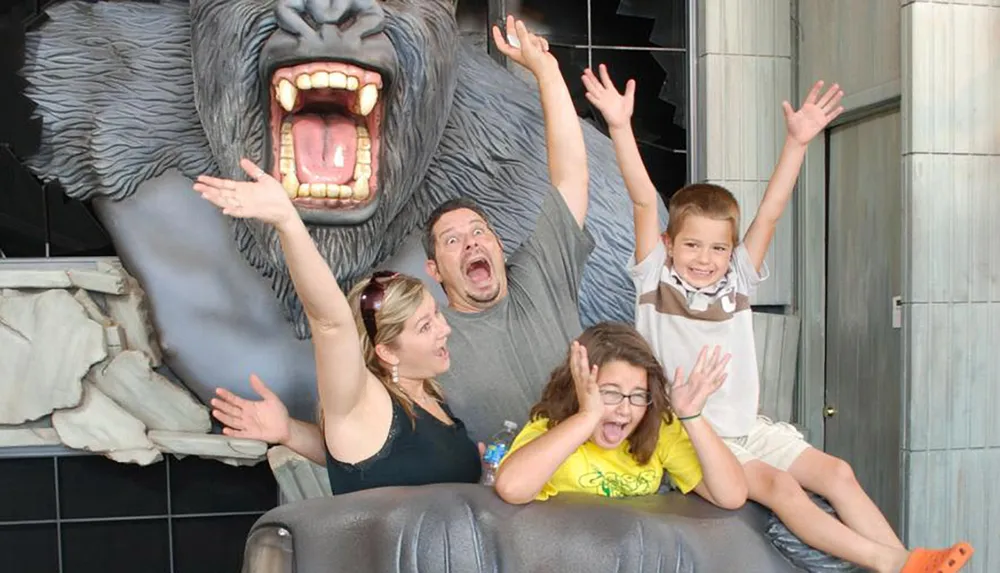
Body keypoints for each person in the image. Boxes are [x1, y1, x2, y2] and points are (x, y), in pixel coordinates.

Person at [583, 63, 974, 572]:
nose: (705, 259)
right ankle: (890, 564)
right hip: (692, 437)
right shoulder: (654, 278)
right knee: (783, 489)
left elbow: (769, 211)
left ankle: (907, 561)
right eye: (692, 246)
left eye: (718, 248)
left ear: (731, 251)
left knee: (837, 473)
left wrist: (797, 143)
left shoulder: (738, 280)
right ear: (668, 244)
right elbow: (640, 197)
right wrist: (618, 126)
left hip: (748, 428)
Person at [208, 15, 596, 465]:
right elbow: (375, 450)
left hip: (591, 496)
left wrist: (546, 72)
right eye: (452, 241)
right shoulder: (426, 350)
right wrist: (290, 433)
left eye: (478, 232)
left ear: (497, 245)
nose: (471, 243)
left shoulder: (542, 275)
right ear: (433, 270)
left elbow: (570, 177)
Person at [193, 161, 480, 494]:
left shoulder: (426, 395)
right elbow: (331, 323)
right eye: (425, 326)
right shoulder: (366, 398)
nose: (444, 329)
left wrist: (289, 431)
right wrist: (288, 223)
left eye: (437, 315)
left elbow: (374, 459)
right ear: (386, 351)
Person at [494, 322, 747, 508]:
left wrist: (691, 417)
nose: (625, 410)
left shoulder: (656, 430)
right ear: (581, 388)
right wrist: (587, 416)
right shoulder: (553, 428)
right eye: (611, 393)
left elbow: (732, 496)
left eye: (638, 395)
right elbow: (511, 487)